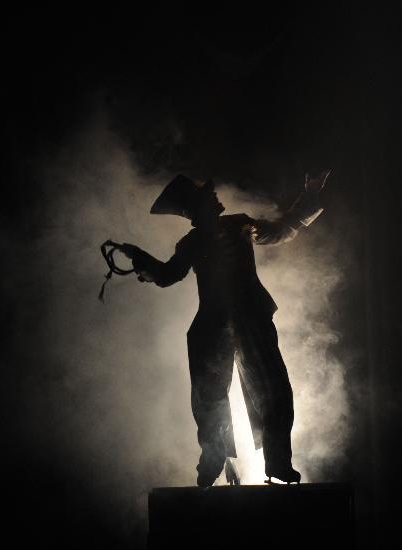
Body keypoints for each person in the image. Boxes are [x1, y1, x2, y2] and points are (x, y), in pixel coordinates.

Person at [117, 171, 329, 487]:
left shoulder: (239, 224)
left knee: (275, 391)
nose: (215, 196)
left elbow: (280, 230)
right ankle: (213, 460)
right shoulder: (190, 243)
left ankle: (278, 463)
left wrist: (309, 197)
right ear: (194, 207)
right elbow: (166, 275)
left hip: (251, 320)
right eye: (207, 195)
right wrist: (140, 259)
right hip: (213, 325)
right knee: (210, 398)